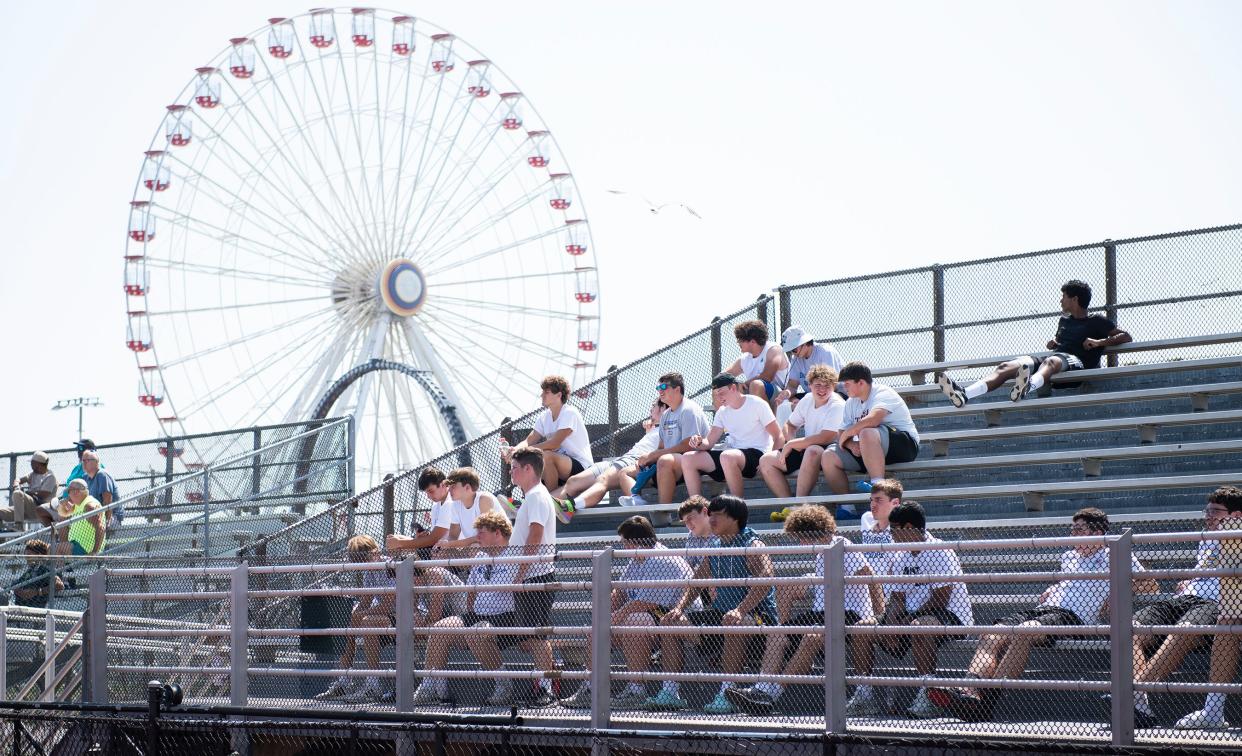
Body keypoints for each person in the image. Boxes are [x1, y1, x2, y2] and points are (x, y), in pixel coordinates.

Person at [929, 508, 1156, 722]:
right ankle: (970, 688)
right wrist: (1054, 589)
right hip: (1045, 610)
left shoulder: (1112, 551)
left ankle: (984, 704)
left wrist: (1121, 587)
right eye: (1072, 529)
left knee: (1025, 631)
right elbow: (1067, 585)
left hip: (1073, 618)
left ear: (1098, 533)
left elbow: (1151, 586)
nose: (1073, 534)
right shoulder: (1069, 557)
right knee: (992, 634)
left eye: (1079, 529)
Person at [726, 505, 883, 715]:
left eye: (801, 537)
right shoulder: (821, 554)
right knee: (777, 634)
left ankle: (771, 696)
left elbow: (870, 577)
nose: (799, 543)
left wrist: (879, 613)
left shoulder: (841, 545)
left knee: (811, 637)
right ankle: (761, 688)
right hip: (822, 615)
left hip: (849, 614)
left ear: (812, 531)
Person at [646, 495, 778, 715]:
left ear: (734, 518)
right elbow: (695, 583)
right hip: (721, 614)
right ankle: (670, 692)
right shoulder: (715, 545)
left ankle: (727, 693)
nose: (712, 520)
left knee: (736, 623)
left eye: (717, 515)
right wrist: (678, 608)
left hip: (757, 616)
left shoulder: (752, 544)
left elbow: (766, 579)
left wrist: (740, 609)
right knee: (670, 622)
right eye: (710, 514)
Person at [847, 501, 972, 719]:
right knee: (861, 630)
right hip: (910, 617)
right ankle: (864, 694)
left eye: (894, 528)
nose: (891, 533)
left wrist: (904, 623)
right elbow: (897, 597)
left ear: (909, 528)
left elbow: (941, 599)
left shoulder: (939, 550)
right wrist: (892, 623)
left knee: (919, 627)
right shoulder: (900, 554)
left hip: (951, 616)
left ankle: (928, 693)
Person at [562, 515, 697, 709]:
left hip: (677, 619)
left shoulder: (661, 558)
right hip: (654, 617)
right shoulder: (638, 558)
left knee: (636, 619)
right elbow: (621, 592)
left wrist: (617, 615)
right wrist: (605, 614)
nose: (623, 547)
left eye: (624, 542)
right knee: (599, 626)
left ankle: (636, 690)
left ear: (634, 542)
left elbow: (645, 604)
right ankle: (592, 688)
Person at [937, 279, 1133, 407]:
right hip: (1057, 361)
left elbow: (1126, 336)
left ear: (1074, 299)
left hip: (1077, 366)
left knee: (1052, 361)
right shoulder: (1064, 321)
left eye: (1064, 296)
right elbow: (1062, 342)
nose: (1060, 300)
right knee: (1008, 366)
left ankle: (1027, 386)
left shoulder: (1097, 321)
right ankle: (965, 394)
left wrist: (1099, 342)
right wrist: (1055, 341)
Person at [413, 510, 524, 705]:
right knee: (439, 629)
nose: (477, 536)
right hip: (478, 613)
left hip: (504, 615)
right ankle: (431, 687)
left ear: (497, 533)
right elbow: (471, 592)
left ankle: (503, 684)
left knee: (475, 632)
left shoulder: (513, 554)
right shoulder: (480, 556)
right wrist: (472, 612)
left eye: (482, 532)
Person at [1173, 486, 1242, 730]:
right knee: (1228, 624)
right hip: (1230, 608)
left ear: (1235, 516)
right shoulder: (1218, 538)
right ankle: (1213, 711)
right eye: (1208, 511)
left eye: (1216, 511)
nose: (1209, 516)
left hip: (1218, 604)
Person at [506, 447, 560, 705]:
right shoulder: (533, 497)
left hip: (536, 576)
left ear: (528, 469)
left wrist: (520, 574)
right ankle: (546, 677)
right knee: (530, 637)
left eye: (515, 467)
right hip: (532, 575)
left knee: (537, 636)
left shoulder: (537, 496)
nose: (511, 472)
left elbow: (535, 536)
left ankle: (546, 686)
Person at [314, 535, 397, 703]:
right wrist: (352, 616)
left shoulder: (390, 566)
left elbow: (388, 605)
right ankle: (344, 681)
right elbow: (365, 601)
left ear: (373, 553)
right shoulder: (369, 571)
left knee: (366, 621)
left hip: (402, 615)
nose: (361, 565)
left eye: (362, 559)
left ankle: (373, 684)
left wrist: (360, 616)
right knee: (347, 618)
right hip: (383, 615)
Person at [822, 362, 920, 496]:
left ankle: (877, 486)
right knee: (828, 455)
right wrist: (850, 445)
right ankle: (846, 507)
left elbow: (873, 420)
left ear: (861, 383)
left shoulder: (883, 392)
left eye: (847, 383)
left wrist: (848, 434)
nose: (844, 387)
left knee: (866, 431)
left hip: (905, 446)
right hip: (869, 448)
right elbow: (841, 432)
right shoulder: (851, 402)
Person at [681, 373, 783, 498]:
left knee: (727, 456)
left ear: (733, 388)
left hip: (757, 455)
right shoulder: (722, 412)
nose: (719, 397)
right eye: (716, 394)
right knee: (687, 458)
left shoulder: (757, 404)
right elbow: (709, 442)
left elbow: (778, 436)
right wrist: (698, 442)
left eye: (721, 393)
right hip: (732, 456)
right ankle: (695, 506)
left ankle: (737, 508)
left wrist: (767, 461)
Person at [507, 375, 593, 522]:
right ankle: (528, 500)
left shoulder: (569, 412)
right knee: (523, 462)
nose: (542, 395)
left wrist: (527, 451)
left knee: (545, 455)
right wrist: (515, 451)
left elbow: (555, 443)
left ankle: (550, 502)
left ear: (559, 395)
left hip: (581, 467)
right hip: (558, 468)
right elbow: (529, 439)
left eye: (546, 392)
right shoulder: (544, 417)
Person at [557, 402, 663, 519]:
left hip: (632, 461)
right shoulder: (654, 429)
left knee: (603, 479)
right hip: (621, 459)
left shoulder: (666, 429)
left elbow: (660, 450)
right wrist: (649, 430)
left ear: (663, 409)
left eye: (654, 406)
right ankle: (543, 506)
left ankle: (571, 506)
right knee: (573, 481)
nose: (650, 410)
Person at [757, 365, 845, 498]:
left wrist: (793, 444)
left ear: (834, 386)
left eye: (827, 385)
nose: (822, 389)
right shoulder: (807, 399)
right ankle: (789, 504)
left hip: (831, 452)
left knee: (812, 451)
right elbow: (789, 425)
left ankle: (799, 503)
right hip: (808, 447)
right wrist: (792, 441)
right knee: (766, 460)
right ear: (809, 385)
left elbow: (826, 437)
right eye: (818, 385)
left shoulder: (837, 404)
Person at [637, 372, 711, 506]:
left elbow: (689, 445)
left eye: (664, 387)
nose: (660, 391)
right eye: (658, 388)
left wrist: (656, 454)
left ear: (677, 389)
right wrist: (648, 458)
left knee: (664, 460)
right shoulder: (665, 415)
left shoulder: (689, 409)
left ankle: (663, 512)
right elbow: (661, 446)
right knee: (628, 471)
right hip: (675, 460)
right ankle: (636, 501)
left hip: (695, 458)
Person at [774, 325, 845, 422]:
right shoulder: (797, 359)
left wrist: (807, 402)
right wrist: (787, 393)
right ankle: (785, 435)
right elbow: (792, 384)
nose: (793, 353)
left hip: (837, 394)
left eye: (794, 349)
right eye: (791, 351)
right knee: (785, 403)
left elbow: (831, 385)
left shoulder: (825, 352)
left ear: (804, 343)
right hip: (813, 395)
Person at [433, 467, 504, 552]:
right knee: (443, 553)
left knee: (474, 548)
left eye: (453, 486)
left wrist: (450, 544)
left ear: (467, 487)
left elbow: (484, 537)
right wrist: (442, 546)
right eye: (449, 487)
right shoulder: (455, 505)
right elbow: (452, 536)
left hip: (504, 550)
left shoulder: (484, 499)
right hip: (476, 549)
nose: (449, 490)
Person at [386, 468, 454, 554]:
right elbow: (434, 537)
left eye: (431, 491)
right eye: (426, 493)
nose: (428, 496)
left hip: (450, 551)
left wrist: (400, 543)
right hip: (437, 549)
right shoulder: (436, 506)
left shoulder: (450, 503)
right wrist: (422, 537)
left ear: (443, 485)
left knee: (397, 542)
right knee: (392, 538)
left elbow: (433, 539)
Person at [724, 319, 790, 408]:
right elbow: (723, 376)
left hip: (780, 396)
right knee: (720, 390)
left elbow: (767, 376)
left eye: (740, 339)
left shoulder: (773, 349)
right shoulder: (744, 359)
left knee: (756, 385)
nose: (738, 342)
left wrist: (744, 384)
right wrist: (732, 384)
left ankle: (767, 421)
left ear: (752, 341)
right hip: (753, 394)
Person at [52, 479, 107, 557]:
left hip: (86, 549)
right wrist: (62, 506)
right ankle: (65, 568)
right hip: (76, 545)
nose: (68, 495)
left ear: (76, 492)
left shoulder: (89, 506)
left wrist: (95, 552)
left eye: (68, 492)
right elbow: (63, 515)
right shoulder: (79, 504)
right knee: (41, 548)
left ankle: (64, 569)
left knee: (54, 549)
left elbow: (100, 528)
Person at [1, 452, 57, 525]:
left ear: (38, 464)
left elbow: (43, 495)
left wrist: (28, 493)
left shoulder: (50, 477)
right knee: (1, 512)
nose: (30, 465)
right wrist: (17, 485)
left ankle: (19, 524)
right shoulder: (33, 474)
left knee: (17, 493)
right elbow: (19, 479)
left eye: (32, 463)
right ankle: (3, 535)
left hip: (41, 509)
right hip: (26, 510)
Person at [8, 540, 64, 608]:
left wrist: (37, 592)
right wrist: (19, 591)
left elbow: (59, 585)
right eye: (26, 555)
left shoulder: (44, 569)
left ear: (39, 555)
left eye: (29, 555)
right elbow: (16, 585)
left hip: (37, 608)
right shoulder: (30, 570)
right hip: (21, 608)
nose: (26, 558)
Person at [82, 450, 123, 530]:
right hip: (95, 515)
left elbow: (107, 500)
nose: (83, 463)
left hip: (112, 516)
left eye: (86, 460)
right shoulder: (85, 478)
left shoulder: (102, 475)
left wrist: (106, 520)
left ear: (95, 462)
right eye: (82, 461)